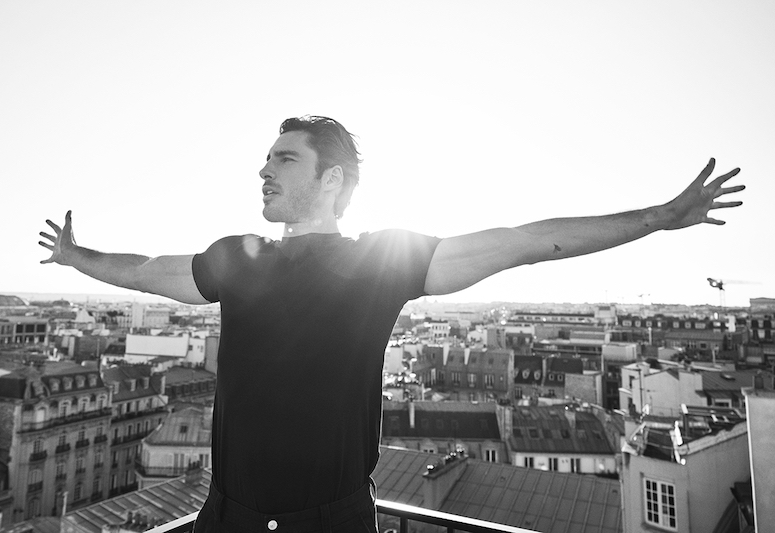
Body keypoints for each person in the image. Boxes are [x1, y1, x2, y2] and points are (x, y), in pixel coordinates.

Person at [39, 116, 744, 533]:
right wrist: (77, 257)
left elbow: (524, 241)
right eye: (265, 158)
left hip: (332, 525)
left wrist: (655, 218)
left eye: (284, 158)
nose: (263, 170)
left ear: (332, 181)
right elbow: (146, 271)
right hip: (225, 520)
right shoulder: (235, 259)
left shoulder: (378, 262)